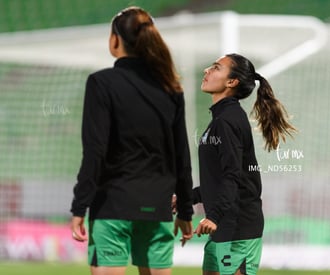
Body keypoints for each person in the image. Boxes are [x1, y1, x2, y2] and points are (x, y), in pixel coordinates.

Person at [70, 6, 194, 275]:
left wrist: (80, 205)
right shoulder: (171, 89)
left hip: (113, 205)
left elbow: (95, 152)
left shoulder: (101, 83)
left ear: (115, 40)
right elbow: (181, 157)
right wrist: (185, 210)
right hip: (158, 207)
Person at [193, 53, 296, 275]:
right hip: (224, 225)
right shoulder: (220, 119)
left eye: (216, 68)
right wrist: (187, 198)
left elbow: (233, 176)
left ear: (231, 82)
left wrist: (213, 216)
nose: (206, 71)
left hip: (238, 228)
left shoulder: (228, 120)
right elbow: (219, 179)